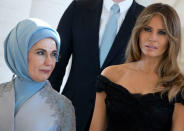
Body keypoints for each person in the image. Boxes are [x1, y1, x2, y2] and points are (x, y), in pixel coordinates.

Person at [49, 0, 144, 130]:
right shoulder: (79, 7)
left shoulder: (145, 18)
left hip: (114, 122)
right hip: (70, 114)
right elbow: (55, 64)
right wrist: (47, 108)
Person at [90, 3, 184, 131]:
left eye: (162, 32)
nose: (152, 38)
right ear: (138, 31)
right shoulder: (110, 75)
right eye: (147, 29)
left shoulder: (178, 85)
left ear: (172, 39)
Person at [0, 18, 75, 131]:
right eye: (40, 53)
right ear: (20, 52)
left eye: (54, 54)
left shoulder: (63, 107)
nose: (49, 62)